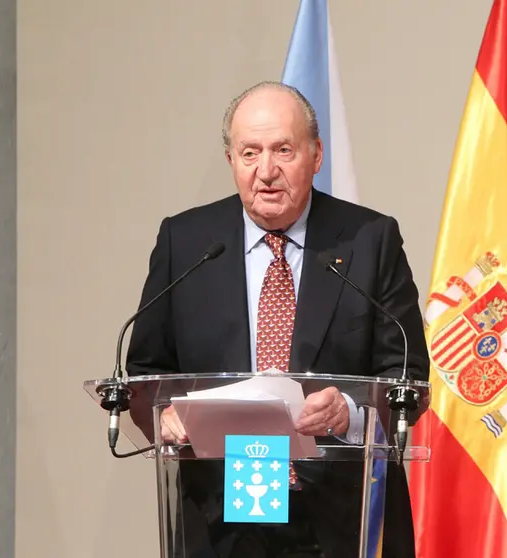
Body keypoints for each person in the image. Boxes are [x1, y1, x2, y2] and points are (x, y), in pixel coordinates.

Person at [126, 80, 430, 558]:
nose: (265, 171)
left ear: (316, 155)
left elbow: (408, 379)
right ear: (231, 161)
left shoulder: (369, 240)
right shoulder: (185, 243)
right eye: (249, 153)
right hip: (219, 521)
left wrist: (348, 413)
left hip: (340, 518)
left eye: (283, 150)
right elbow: (144, 376)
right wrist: (163, 416)